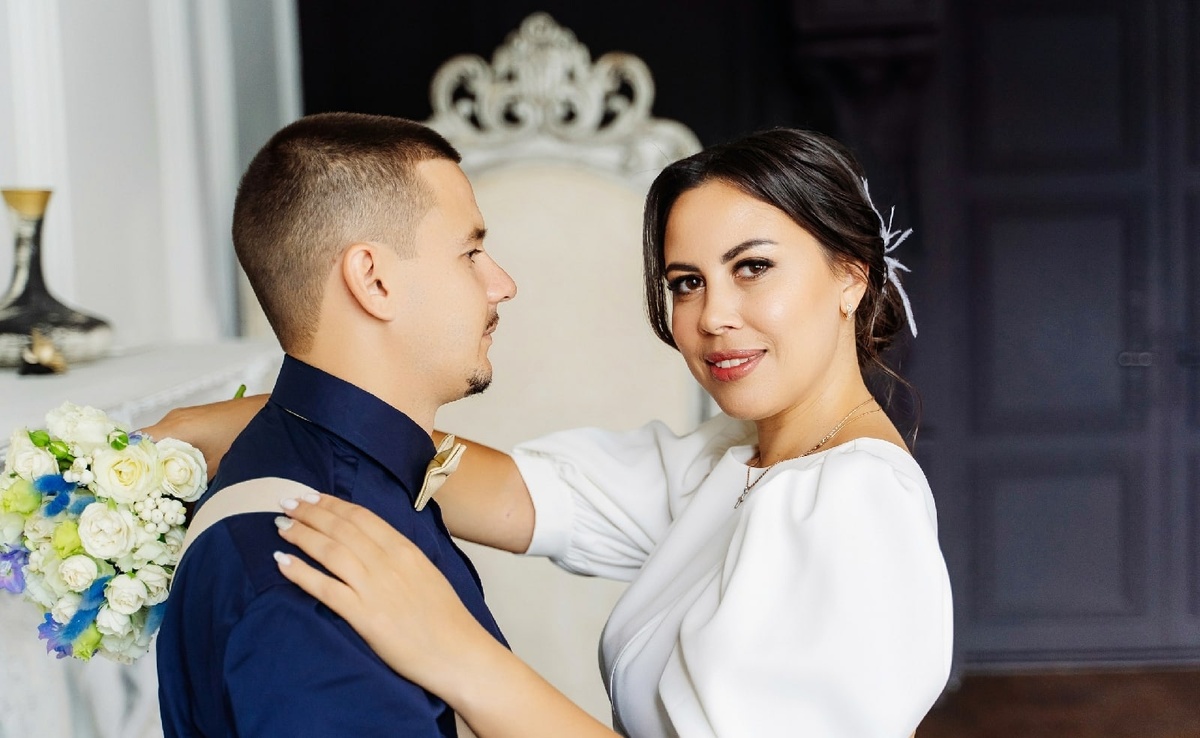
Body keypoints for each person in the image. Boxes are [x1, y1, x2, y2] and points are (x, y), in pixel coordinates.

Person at [150, 128, 952, 737]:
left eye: (753, 268)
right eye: (686, 283)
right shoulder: (731, 461)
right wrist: (250, 418)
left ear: (851, 275)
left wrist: (457, 653)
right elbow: (510, 490)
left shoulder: (857, 506)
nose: (713, 317)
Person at [154, 112, 517, 737]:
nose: (502, 285)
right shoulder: (311, 576)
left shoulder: (342, 472)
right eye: (471, 253)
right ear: (373, 280)